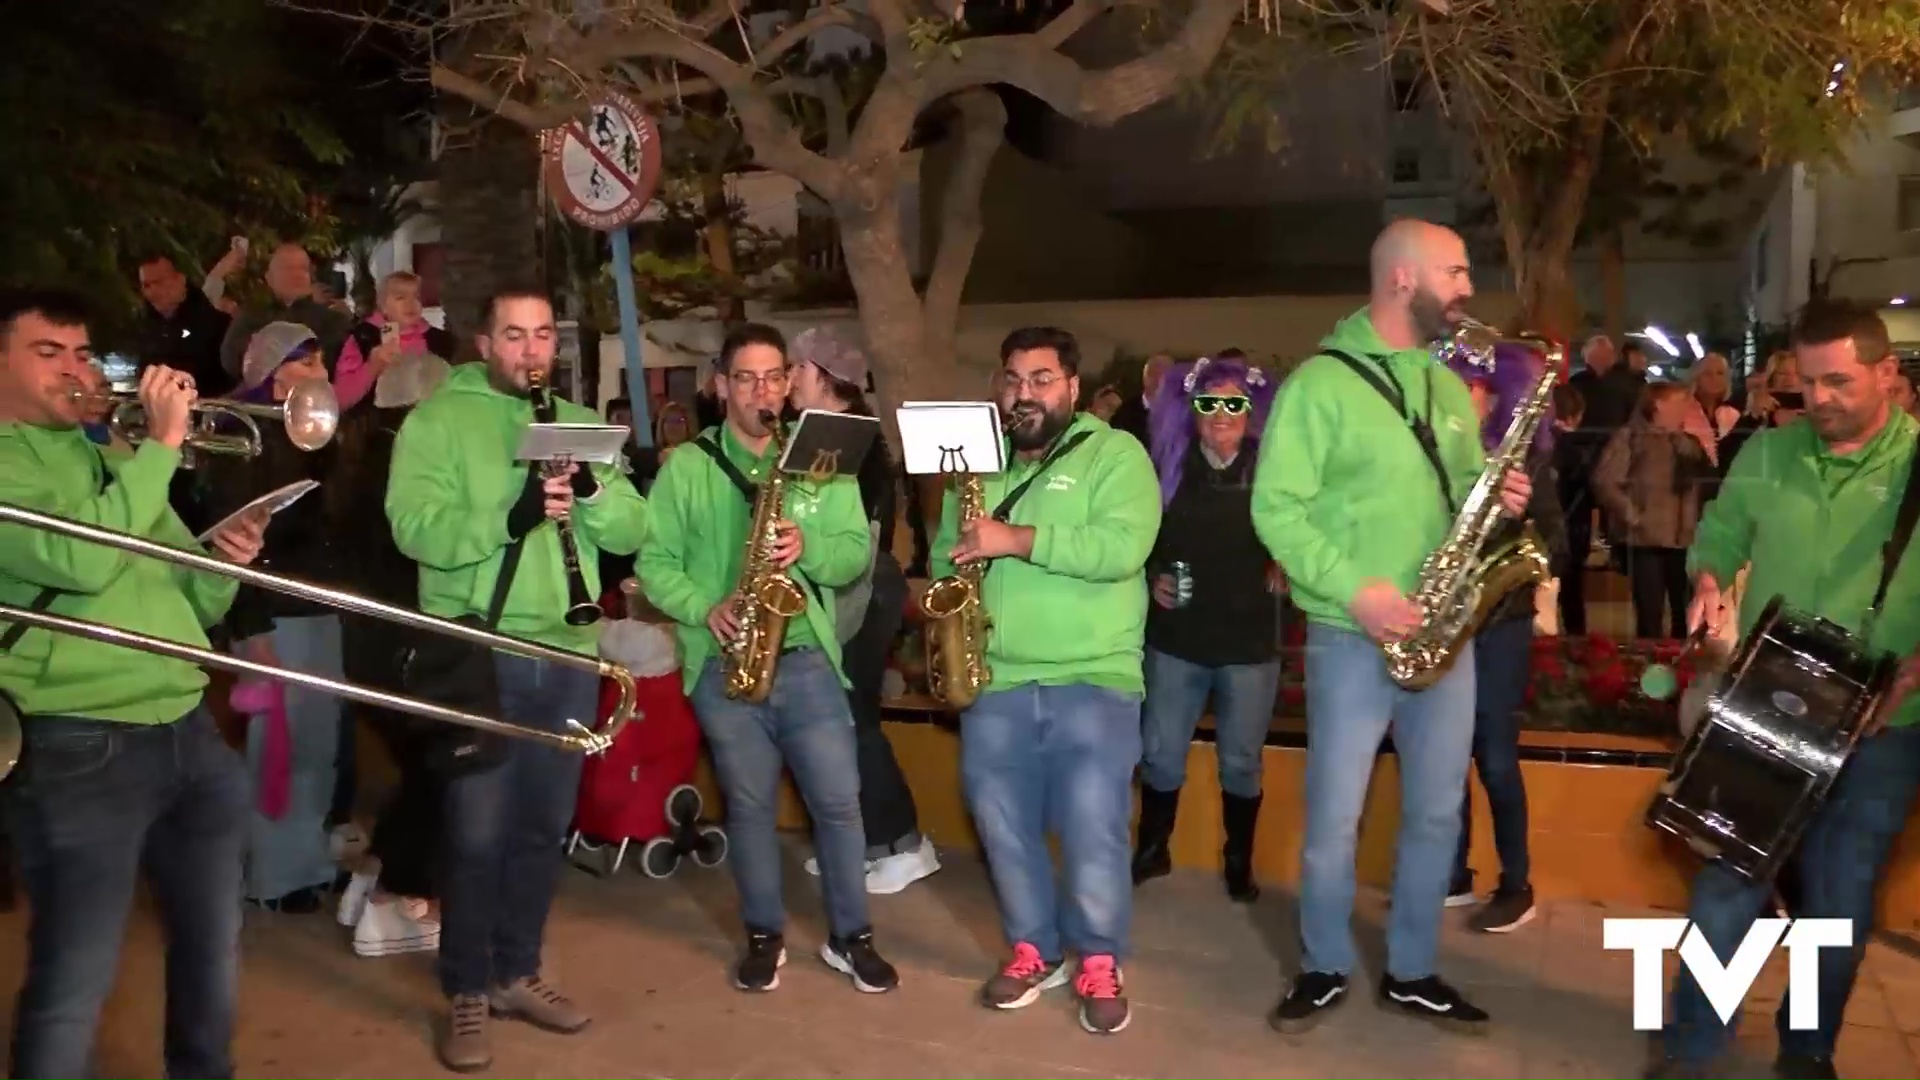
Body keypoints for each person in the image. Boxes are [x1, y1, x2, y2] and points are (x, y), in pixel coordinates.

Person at [1251, 219, 1531, 1035]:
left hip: (1447, 634)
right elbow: (1276, 509)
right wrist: (1357, 590)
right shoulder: (1318, 386)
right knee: (1336, 816)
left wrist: (1496, 492)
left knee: (1438, 814)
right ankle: (1323, 964)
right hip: (1352, 636)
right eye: (1458, 272)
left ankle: (1412, 969)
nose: (1469, 289)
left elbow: (1456, 490)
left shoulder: (1445, 385)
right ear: (1404, 279)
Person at [1646, 299, 1920, 1080]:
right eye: (1808, 383)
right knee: (1728, 880)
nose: (1821, 400)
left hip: (1884, 729)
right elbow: (1723, 531)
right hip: (1768, 706)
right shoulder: (1769, 453)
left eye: (1840, 381)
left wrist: (1912, 676)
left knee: (1838, 902)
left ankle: (1806, 1052)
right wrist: (1706, 578)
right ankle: (1691, 1045)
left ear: (1887, 373)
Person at [0, 287, 268, 1080]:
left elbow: (187, 593)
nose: (74, 369)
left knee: (212, 951)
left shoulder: (111, 459)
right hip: (77, 739)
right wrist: (162, 447)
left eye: (82, 352)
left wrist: (222, 562)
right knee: (73, 977)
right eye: (48, 352)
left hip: (188, 724)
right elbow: (78, 562)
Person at [386, 288, 650, 1073]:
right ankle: (467, 987)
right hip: (485, 651)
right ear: (483, 340)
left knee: (542, 827)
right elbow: (413, 530)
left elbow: (636, 528)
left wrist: (596, 492)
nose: (532, 352)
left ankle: (514, 970)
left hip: (569, 654)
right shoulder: (438, 421)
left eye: (542, 336)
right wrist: (513, 511)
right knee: (475, 834)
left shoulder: (576, 421)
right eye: (514, 335)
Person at [638, 322, 901, 996]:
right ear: (721, 386)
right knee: (750, 807)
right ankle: (763, 932)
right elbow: (654, 564)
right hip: (725, 662)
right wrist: (704, 606)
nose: (763, 391)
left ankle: (852, 937)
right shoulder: (688, 467)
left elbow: (851, 556)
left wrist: (805, 545)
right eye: (747, 378)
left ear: (789, 384)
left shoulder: (818, 458)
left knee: (839, 805)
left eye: (774, 377)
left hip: (808, 656)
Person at [932, 326, 1162, 1036]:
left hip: (1093, 676)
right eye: (1011, 379)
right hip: (998, 677)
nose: (1022, 393)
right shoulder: (979, 463)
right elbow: (950, 551)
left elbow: (1123, 548)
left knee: (1094, 829)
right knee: (1003, 827)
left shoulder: (1115, 453)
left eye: (1039, 378)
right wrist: (953, 577)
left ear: (1070, 385)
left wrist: (1017, 540)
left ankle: (1098, 958)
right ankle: (1035, 948)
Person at [200, 322, 348, 914]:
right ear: (271, 370)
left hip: (317, 605)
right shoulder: (237, 432)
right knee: (277, 749)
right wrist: (252, 635)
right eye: (303, 359)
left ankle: (305, 861)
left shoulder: (317, 433)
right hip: (271, 614)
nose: (318, 370)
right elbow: (231, 536)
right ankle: (272, 876)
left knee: (316, 745)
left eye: (320, 358)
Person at [788, 327, 940, 895]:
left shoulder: (838, 439)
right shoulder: (848, 435)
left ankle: (902, 841)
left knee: (854, 720)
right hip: (859, 587)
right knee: (844, 720)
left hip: (860, 590)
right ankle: (864, 844)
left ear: (824, 377)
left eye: (795, 371)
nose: (787, 382)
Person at [1131, 353, 1281, 903]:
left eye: (1233, 403)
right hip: (1177, 640)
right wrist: (1150, 577)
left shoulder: (1273, 468)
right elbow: (1136, 536)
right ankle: (1152, 849)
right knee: (1160, 751)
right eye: (1208, 403)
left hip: (1248, 642)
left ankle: (1238, 860)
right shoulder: (1166, 467)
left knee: (1242, 759)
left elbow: (1305, 533)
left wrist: (1287, 562)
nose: (1221, 414)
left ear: (1251, 410)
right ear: (1190, 410)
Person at [1439, 341, 1566, 932]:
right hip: (1450, 619)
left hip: (1503, 621)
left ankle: (1517, 883)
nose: (1462, 397)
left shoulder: (1528, 462)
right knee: (1448, 754)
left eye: (1472, 387)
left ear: (1496, 398)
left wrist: (1521, 512)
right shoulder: (1434, 453)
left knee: (1493, 756)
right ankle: (1453, 874)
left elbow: (1557, 542)